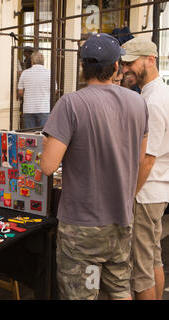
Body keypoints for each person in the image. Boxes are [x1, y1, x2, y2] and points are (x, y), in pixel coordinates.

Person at [41, 33, 149, 300]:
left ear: (82, 67)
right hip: (121, 220)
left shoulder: (71, 103)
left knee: (82, 294)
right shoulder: (138, 102)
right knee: (120, 289)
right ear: (115, 67)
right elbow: (140, 159)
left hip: (82, 227)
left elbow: (48, 165)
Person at [121, 37, 169, 300]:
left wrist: (130, 196)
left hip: (146, 193)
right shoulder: (154, 94)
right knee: (152, 261)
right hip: (155, 191)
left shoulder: (153, 101)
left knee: (141, 271)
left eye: (131, 62)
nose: (126, 68)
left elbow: (148, 159)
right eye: (124, 62)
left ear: (151, 60)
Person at [17, 51, 54, 129]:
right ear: (43, 61)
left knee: (30, 136)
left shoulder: (25, 73)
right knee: (43, 136)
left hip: (28, 109)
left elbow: (20, 92)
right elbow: (55, 90)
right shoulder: (49, 73)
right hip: (44, 108)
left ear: (32, 61)